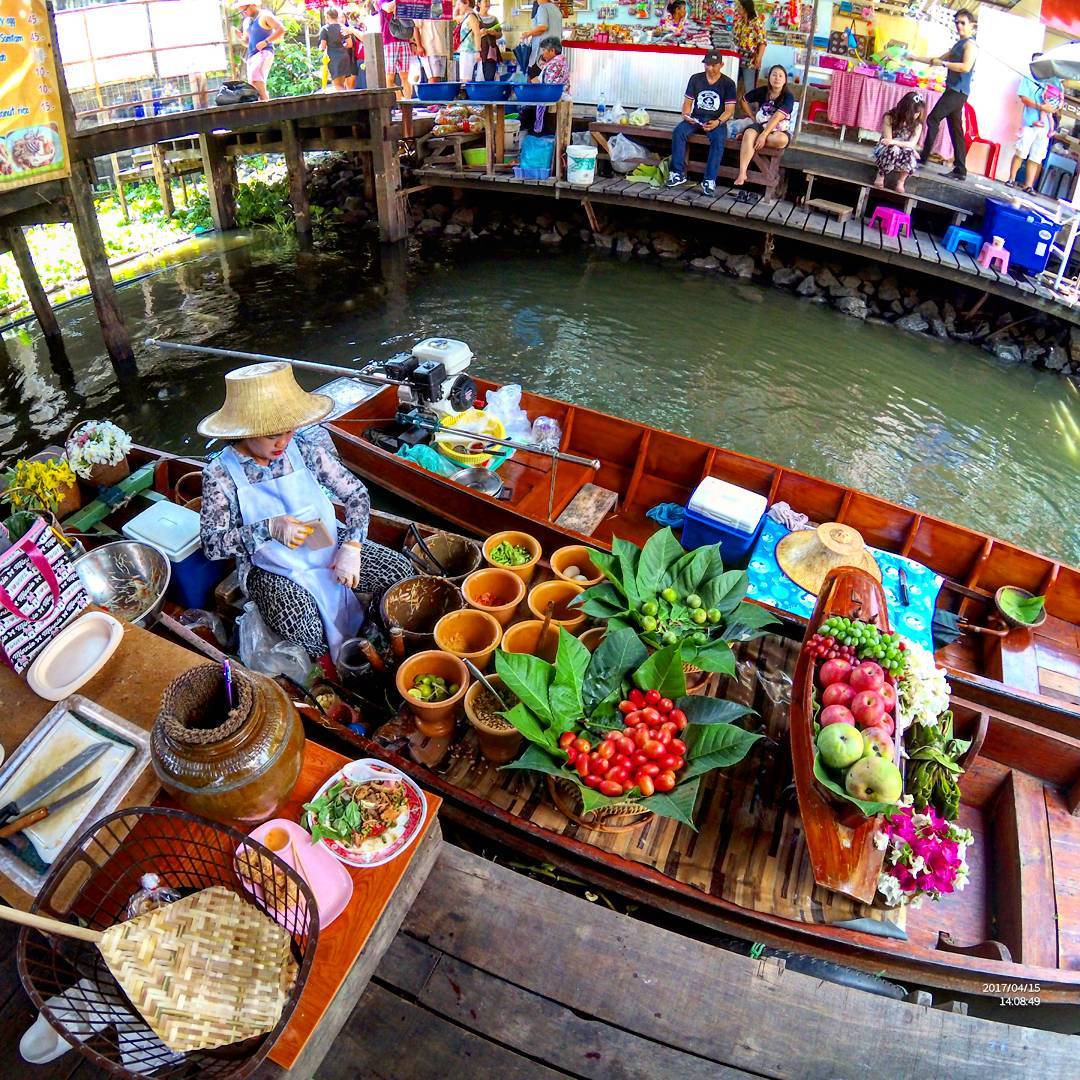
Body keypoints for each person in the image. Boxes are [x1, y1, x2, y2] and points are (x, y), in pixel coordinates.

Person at [199, 363, 412, 665]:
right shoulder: (219, 474)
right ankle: (330, 664)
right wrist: (269, 528)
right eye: (273, 435)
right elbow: (211, 545)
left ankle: (374, 636)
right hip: (269, 566)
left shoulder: (304, 449)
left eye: (289, 430)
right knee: (307, 629)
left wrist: (352, 546)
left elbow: (356, 494)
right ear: (245, 431)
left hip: (325, 541)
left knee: (398, 574)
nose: (283, 443)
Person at [915, 8, 977, 181]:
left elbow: (965, 66)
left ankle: (923, 157)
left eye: (963, 23)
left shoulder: (970, 45)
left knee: (932, 119)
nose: (959, 26)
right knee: (956, 130)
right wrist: (912, 57)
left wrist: (943, 63)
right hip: (954, 90)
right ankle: (960, 170)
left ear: (972, 25)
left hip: (958, 92)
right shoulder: (958, 44)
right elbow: (935, 59)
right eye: (957, 22)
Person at [665, 49, 737, 196]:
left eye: (713, 65)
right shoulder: (695, 79)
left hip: (716, 120)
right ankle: (677, 173)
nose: (709, 68)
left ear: (721, 65)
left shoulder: (728, 84)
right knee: (679, 132)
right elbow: (687, 103)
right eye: (707, 65)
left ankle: (709, 179)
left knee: (718, 139)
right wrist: (686, 114)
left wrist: (718, 122)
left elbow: (729, 110)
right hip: (697, 117)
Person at [1009, 53, 1064, 192]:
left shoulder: (1054, 80)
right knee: (1021, 151)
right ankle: (1011, 179)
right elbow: (1024, 98)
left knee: (1037, 156)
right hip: (1030, 122)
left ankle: (1028, 185)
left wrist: (1054, 107)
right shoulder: (1028, 78)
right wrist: (1041, 107)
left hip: (1045, 126)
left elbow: (1059, 101)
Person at [733, 64, 793, 188]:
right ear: (769, 77)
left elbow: (777, 117)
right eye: (774, 75)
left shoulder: (788, 97)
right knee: (750, 133)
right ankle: (742, 173)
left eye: (780, 76)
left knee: (781, 140)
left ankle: (747, 140)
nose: (777, 78)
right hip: (761, 125)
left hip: (778, 129)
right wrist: (752, 116)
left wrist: (764, 135)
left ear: (785, 80)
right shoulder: (762, 90)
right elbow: (743, 100)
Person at [872, 91, 925, 194]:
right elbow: (888, 140)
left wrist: (910, 148)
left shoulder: (918, 125)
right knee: (894, 149)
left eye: (918, 113)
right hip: (886, 147)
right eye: (914, 112)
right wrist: (907, 146)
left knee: (909, 153)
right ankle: (881, 174)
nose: (916, 115)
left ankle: (901, 181)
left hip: (904, 148)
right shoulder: (890, 117)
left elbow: (911, 143)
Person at [235, 2, 285, 102]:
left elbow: (281, 29)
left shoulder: (265, 16)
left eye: (244, 10)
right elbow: (247, 42)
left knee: (256, 77)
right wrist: (240, 38)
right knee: (253, 83)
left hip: (264, 52)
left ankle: (265, 103)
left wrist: (266, 41)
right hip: (252, 55)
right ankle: (262, 101)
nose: (243, 13)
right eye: (241, 12)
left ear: (252, 5)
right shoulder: (246, 22)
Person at [526, 36, 569, 134]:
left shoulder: (555, 64)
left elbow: (548, 87)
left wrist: (533, 82)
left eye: (544, 50)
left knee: (527, 112)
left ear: (552, 51)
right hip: (555, 97)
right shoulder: (559, 61)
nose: (543, 53)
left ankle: (537, 136)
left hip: (553, 99)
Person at [380, 0, 415, 97]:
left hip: (404, 40)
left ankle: (407, 107)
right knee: (389, 77)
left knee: (405, 76)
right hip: (389, 41)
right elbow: (387, 8)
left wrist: (412, 42)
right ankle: (396, 104)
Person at [733, 0, 766, 98]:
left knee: (750, 89)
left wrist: (758, 59)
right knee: (732, 84)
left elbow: (762, 43)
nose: (737, 9)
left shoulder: (757, 23)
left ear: (745, 9)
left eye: (739, 7)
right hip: (737, 58)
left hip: (751, 60)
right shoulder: (740, 22)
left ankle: (751, 112)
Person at [319, 8, 356, 93]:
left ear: (327, 17)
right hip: (344, 56)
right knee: (342, 84)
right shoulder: (343, 27)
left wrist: (320, 48)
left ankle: (348, 103)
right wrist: (341, 47)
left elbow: (323, 46)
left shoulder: (325, 29)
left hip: (333, 58)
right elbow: (349, 44)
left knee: (338, 86)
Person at [521, 1, 563, 77]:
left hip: (542, 53)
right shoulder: (556, 9)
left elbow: (543, 27)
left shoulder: (542, 8)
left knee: (534, 80)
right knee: (550, 80)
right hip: (555, 53)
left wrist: (528, 33)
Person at [413, 11, 451, 83]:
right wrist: (419, 46)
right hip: (429, 49)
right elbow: (415, 27)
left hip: (441, 49)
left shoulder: (444, 8)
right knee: (433, 78)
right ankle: (431, 94)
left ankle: (435, 94)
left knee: (438, 79)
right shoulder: (422, 8)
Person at [454, 0, 482, 81]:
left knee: (466, 79)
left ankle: (467, 93)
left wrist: (477, 51)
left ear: (467, 2)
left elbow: (477, 33)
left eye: (459, 4)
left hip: (470, 51)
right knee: (465, 79)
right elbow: (454, 16)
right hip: (466, 51)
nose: (458, 7)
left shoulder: (471, 16)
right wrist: (457, 6)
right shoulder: (466, 16)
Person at [477, 0, 503, 82]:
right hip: (477, 52)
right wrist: (480, 33)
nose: (488, 3)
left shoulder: (494, 19)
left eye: (488, 1)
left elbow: (500, 34)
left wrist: (494, 33)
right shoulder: (474, 18)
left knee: (489, 77)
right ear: (478, 4)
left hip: (490, 53)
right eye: (485, 1)